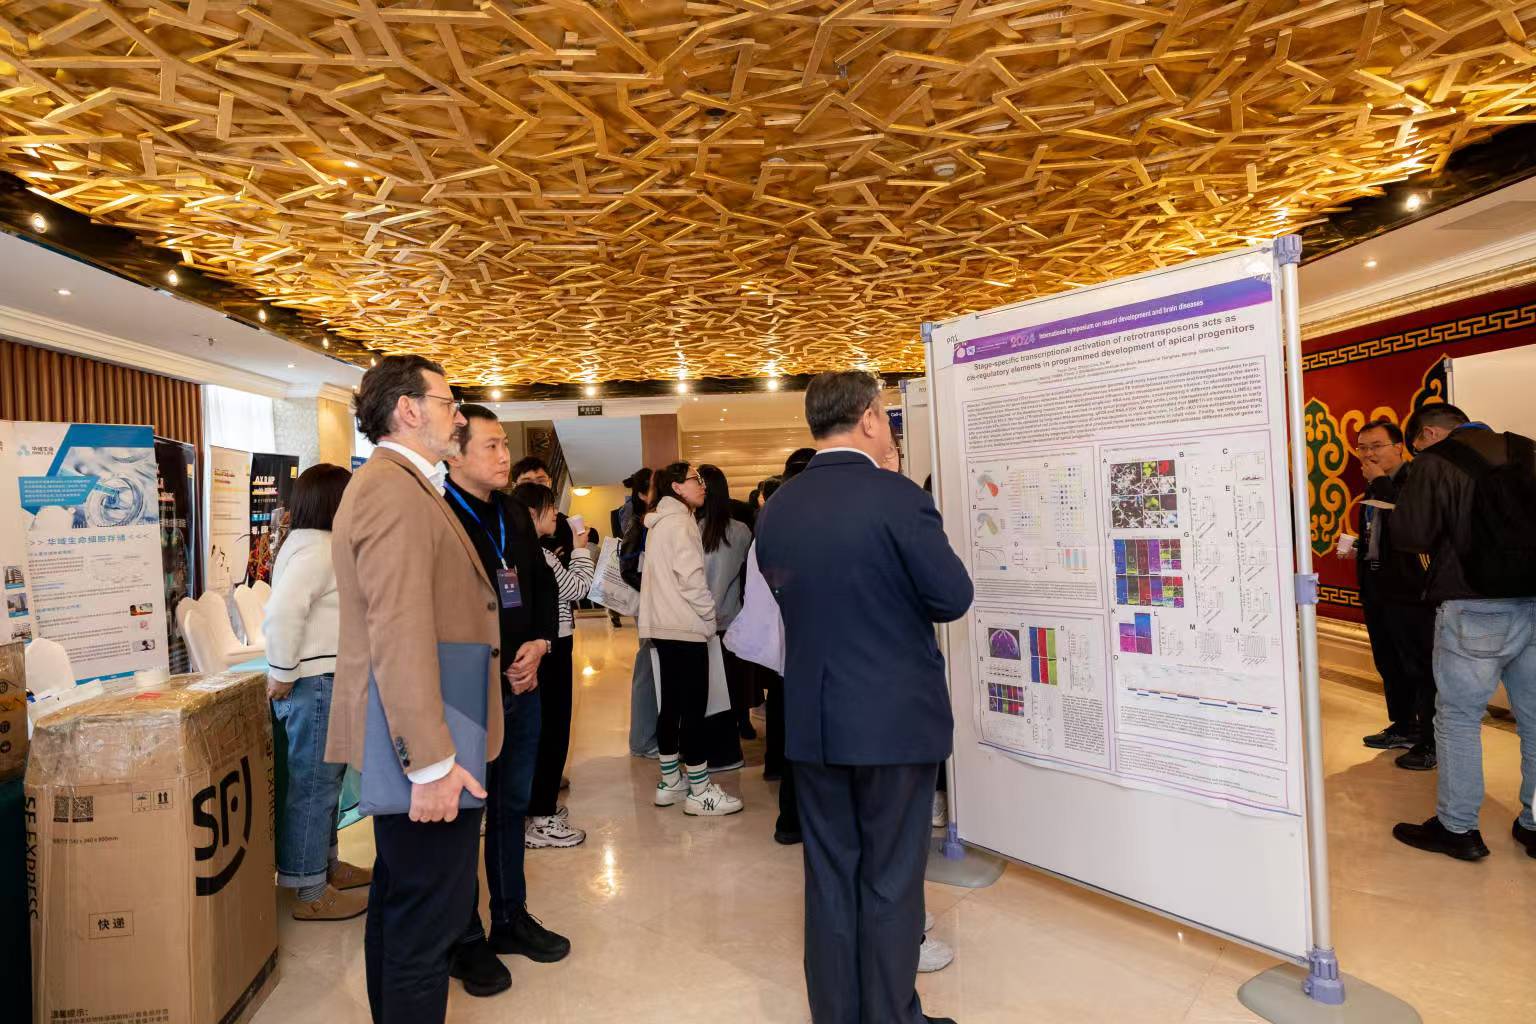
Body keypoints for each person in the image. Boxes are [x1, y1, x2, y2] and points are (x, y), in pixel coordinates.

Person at [756, 371, 973, 1024]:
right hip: (892, 723)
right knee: (890, 879)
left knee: (829, 879)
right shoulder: (896, 497)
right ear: (870, 418)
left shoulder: (780, 507)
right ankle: (890, 1016)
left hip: (813, 722)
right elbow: (952, 596)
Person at [325, 355, 497, 1024]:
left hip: (434, 727)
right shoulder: (392, 492)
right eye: (449, 404)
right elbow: (398, 633)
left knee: (404, 910)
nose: (458, 418)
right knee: (427, 925)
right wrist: (429, 764)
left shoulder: (404, 486)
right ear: (408, 410)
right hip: (425, 747)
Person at [440, 405, 570, 998]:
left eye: (503, 445)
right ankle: (464, 936)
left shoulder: (513, 510)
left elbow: (539, 585)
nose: (503, 456)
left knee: (512, 806)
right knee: (466, 815)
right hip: (468, 690)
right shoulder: (440, 514)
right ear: (455, 453)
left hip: (524, 681)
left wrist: (539, 644)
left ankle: (510, 917)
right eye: (491, 446)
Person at [1390, 403, 1536, 862]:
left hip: (1474, 604)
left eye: (1417, 444)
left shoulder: (1436, 461)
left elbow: (1411, 535)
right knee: (1535, 720)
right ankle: (1535, 822)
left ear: (1431, 433)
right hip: (1534, 601)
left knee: (1457, 718)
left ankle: (1457, 828)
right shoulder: (1528, 450)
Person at [263, 463, 369, 922]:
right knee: (313, 787)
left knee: (326, 784)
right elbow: (283, 613)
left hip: (328, 679)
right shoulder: (318, 550)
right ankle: (309, 890)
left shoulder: (318, 545)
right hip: (315, 682)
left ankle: (326, 867)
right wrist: (282, 671)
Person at [640, 461, 742, 816]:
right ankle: (699, 790)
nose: (702, 486)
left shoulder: (659, 523)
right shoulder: (682, 523)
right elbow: (692, 580)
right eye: (694, 480)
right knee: (694, 710)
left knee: (671, 706)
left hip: (663, 627)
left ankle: (671, 781)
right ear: (676, 487)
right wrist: (709, 615)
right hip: (685, 627)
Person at [1348, 418, 1436, 769]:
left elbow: (1413, 525)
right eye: (1362, 447)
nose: (1368, 454)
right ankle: (1403, 725)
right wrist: (1360, 548)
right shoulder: (1374, 484)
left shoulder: (1415, 480)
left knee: (1420, 667)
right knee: (1389, 662)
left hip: (1410, 592)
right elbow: (1383, 534)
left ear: (1399, 447)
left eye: (1376, 446)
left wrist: (1382, 483)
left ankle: (1430, 741)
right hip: (1378, 589)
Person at [512, 481, 595, 848]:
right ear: (532, 514)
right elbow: (577, 589)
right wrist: (580, 549)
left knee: (538, 732)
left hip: (537, 647)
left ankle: (536, 807)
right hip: (551, 647)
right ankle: (542, 816)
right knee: (552, 731)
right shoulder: (541, 556)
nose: (557, 514)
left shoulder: (517, 551)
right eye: (550, 507)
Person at [697, 463, 754, 766]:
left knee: (707, 694)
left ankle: (711, 753)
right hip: (733, 620)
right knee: (732, 688)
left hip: (699, 622)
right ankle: (732, 749)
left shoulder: (692, 530)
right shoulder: (741, 531)